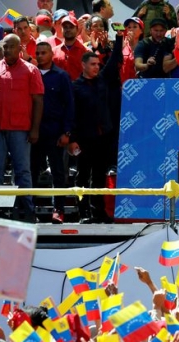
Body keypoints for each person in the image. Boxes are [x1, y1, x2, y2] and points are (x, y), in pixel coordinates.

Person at [0, 34, 44, 222]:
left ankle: (27, 211)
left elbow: (38, 100)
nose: (8, 51)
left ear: (20, 48)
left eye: (12, 47)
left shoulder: (31, 70)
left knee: (22, 170)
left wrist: (35, 129)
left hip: (20, 128)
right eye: (5, 47)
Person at [69, 31, 123, 224]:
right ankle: (82, 213)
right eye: (92, 64)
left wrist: (119, 38)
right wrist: (72, 139)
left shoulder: (103, 80)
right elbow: (71, 115)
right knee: (82, 176)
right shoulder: (75, 87)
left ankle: (98, 212)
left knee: (99, 177)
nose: (96, 67)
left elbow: (116, 58)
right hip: (84, 139)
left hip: (103, 138)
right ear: (83, 65)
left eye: (98, 64)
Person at [33, 42, 74, 224]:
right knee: (31, 171)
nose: (40, 56)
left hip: (55, 132)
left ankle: (59, 209)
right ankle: (30, 208)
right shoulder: (30, 74)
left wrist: (67, 132)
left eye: (43, 53)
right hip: (33, 132)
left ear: (51, 54)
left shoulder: (61, 76)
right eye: (37, 53)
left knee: (58, 172)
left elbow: (70, 105)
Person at [52, 15, 88, 81]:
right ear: (62, 29)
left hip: (78, 89)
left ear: (77, 29)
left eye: (71, 27)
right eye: (65, 27)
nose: (68, 30)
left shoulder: (86, 51)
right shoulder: (54, 51)